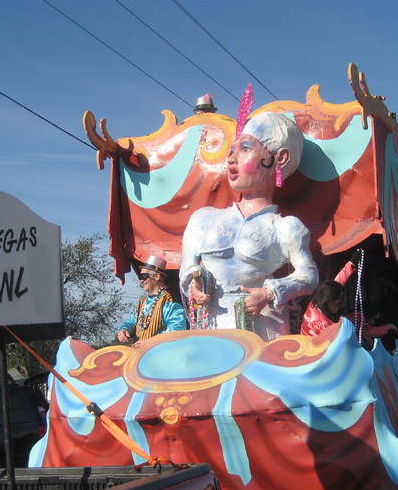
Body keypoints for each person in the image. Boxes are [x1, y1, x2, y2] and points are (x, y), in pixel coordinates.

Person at [179, 104, 319, 341]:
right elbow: (186, 269)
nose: (231, 159)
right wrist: (193, 283)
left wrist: (268, 292)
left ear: (280, 159)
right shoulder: (202, 219)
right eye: (232, 150)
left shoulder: (285, 228)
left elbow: (309, 275)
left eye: (245, 149)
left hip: (264, 334)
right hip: (210, 334)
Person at [118, 255, 187, 343]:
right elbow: (132, 321)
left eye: (144, 276)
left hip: (161, 353)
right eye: (140, 277)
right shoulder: (142, 302)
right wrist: (124, 329)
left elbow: (177, 328)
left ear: (157, 276)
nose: (141, 280)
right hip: (141, 353)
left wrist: (149, 342)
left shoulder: (169, 299)